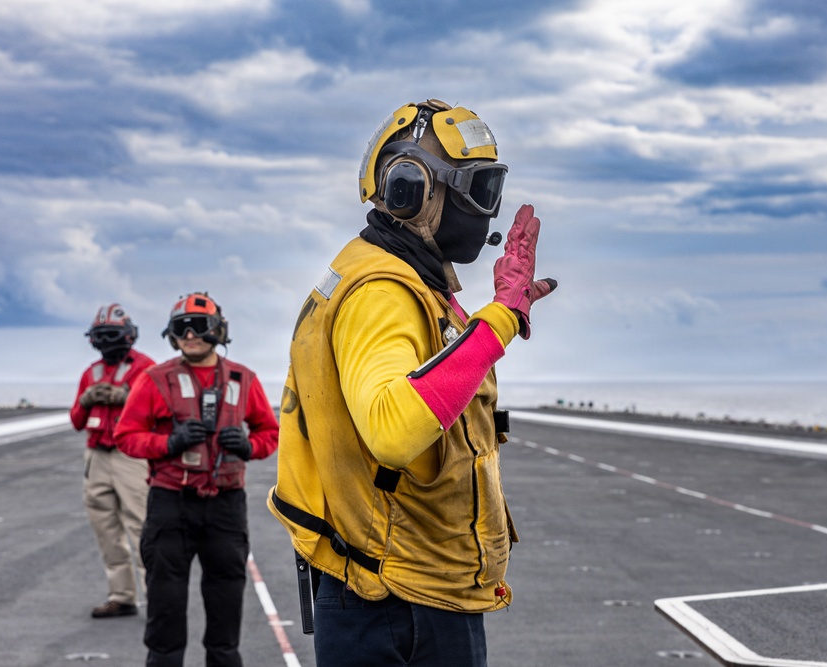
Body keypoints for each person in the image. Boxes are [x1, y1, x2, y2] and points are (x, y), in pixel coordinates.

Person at [268, 99, 557, 666]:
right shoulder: (381, 290)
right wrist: (498, 317)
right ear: (411, 188)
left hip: (406, 590)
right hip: (395, 602)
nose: (487, 213)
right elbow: (394, 431)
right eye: (477, 190)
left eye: (492, 192)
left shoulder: (400, 281)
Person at [115, 292, 279, 667]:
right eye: (180, 328)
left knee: (226, 606)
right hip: (171, 505)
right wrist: (167, 443)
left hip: (225, 507)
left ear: (218, 331)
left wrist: (248, 445)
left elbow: (270, 433)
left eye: (199, 327)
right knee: (165, 606)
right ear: (171, 335)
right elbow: (126, 435)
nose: (190, 335)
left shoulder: (243, 379)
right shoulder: (154, 380)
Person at [70, 303, 155, 618]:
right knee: (105, 527)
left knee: (141, 526)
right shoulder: (90, 374)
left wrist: (128, 396)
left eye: (112, 334)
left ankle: (156, 597)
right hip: (97, 457)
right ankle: (122, 595)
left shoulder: (146, 368)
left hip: (131, 456)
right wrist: (85, 400)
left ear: (129, 336)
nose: (107, 341)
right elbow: (77, 420)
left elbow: (161, 411)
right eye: (101, 335)